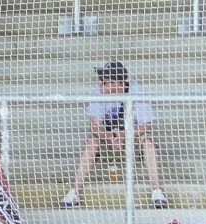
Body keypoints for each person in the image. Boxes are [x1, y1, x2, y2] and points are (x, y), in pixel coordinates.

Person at [61, 61, 168, 209]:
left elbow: (147, 125)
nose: (100, 84)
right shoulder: (99, 92)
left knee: (148, 142)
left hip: (132, 138)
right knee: (91, 143)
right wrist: (109, 136)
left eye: (105, 82)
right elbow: (94, 126)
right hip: (109, 139)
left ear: (117, 83)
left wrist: (125, 135)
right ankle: (74, 192)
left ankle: (156, 191)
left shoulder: (135, 90)